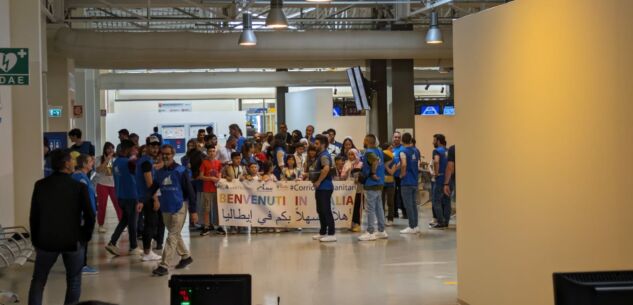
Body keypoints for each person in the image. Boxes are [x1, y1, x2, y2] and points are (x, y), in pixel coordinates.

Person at [28, 149, 95, 305]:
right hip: (72, 240)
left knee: (38, 280)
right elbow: (90, 215)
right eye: (71, 160)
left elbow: (34, 216)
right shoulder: (78, 187)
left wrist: (35, 241)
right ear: (66, 164)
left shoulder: (40, 185)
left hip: (46, 240)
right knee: (74, 280)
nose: (74, 163)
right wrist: (85, 237)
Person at [149, 145, 197, 276]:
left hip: (179, 207)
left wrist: (193, 211)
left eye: (168, 154)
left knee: (171, 236)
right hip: (166, 207)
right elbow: (153, 187)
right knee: (174, 234)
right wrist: (142, 200)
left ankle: (164, 265)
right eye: (163, 154)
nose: (165, 156)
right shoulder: (159, 172)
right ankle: (186, 257)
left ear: (173, 154)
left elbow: (190, 191)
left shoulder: (181, 171)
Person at [105, 139, 143, 256]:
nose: (135, 151)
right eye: (133, 149)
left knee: (125, 220)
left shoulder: (116, 162)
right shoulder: (129, 162)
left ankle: (112, 242)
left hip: (120, 196)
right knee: (132, 222)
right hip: (131, 196)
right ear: (127, 150)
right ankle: (133, 246)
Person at [136, 136, 164, 261]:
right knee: (151, 224)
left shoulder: (146, 160)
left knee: (150, 223)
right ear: (147, 147)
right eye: (152, 146)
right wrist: (155, 199)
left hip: (144, 197)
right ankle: (148, 253)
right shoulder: (146, 162)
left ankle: (147, 250)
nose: (155, 149)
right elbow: (149, 183)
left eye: (157, 146)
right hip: (148, 197)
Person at [71, 154, 99, 275]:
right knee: (82, 241)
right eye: (90, 161)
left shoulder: (83, 176)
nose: (92, 163)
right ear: (83, 164)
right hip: (82, 216)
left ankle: (81, 264)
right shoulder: (79, 177)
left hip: (87, 213)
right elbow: (79, 197)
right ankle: (81, 266)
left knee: (83, 241)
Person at [358, 134, 388, 241]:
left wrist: (373, 173)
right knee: (379, 207)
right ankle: (381, 230)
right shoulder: (379, 150)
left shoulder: (369, 152)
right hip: (380, 182)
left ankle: (370, 232)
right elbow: (386, 160)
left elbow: (374, 161)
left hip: (371, 183)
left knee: (370, 208)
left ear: (367, 141)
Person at [311, 134, 336, 242]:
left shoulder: (324, 156)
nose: (315, 145)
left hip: (325, 187)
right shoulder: (320, 155)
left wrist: (318, 181)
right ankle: (322, 232)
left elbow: (326, 169)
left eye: (317, 143)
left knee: (326, 210)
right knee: (320, 210)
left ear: (323, 144)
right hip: (321, 188)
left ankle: (331, 234)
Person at [93, 142, 122, 233]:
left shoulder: (116, 159)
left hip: (114, 185)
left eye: (112, 148)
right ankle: (101, 225)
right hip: (102, 184)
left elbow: (109, 173)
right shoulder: (98, 158)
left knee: (118, 205)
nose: (110, 150)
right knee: (102, 205)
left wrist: (110, 161)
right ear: (105, 149)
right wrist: (106, 160)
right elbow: (98, 170)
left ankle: (122, 224)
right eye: (108, 148)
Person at [199, 145, 223, 236]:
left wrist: (218, 178)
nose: (212, 153)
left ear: (215, 152)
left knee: (217, 208)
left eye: (213, 151)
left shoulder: (218, 162)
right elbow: (201, 176)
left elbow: (220, 172)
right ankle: (206, 226)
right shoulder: (204, 163)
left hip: (217, 189)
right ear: (207, 153)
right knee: (207, 208)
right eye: (210, 151)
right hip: (207, 189)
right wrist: (211, 178)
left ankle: (218, 225)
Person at [399, 133, 420, 234]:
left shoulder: (402, 151)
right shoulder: (416, 151)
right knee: (413, 205)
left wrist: (402, 174)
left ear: (402, 141)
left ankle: (411, 227)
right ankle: (416, 226)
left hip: (406, 182)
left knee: (408, 205)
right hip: (415, 181)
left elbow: (403, 164)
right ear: (411, 140)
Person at [431, 134, 450, 229]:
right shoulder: (448, 151)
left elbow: (436, 161)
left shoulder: (436, 151)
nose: (433, 142)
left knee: (436, 201)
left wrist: (436, 173)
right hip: (448, 179)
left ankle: (440, 222)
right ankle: (446, 221)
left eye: (434, 140)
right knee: (447, 201)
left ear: (438, 141)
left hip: (440, 179)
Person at [342, 149, 363, 232]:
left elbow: (362, 175)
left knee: (357, 206)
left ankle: (357, 224)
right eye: (349, 154)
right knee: (349, 206)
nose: (351, 156)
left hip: (358, 188)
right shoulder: (346, 164)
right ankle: (350, 223)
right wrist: (347, 171)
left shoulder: (361, 164)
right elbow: (342, 176)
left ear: (356, 155)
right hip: (348, 189)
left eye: (352, 154)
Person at [391, 131, 406, 219]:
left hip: (400, 176)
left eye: (398, 137)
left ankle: (405, 212)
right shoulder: (391, 149)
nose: (396, 139)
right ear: (393, 138)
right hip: (392, 176)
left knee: (402, 194)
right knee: (393, 194)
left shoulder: (402, 149)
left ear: (400, 139)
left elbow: (402, 162)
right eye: (395, 137)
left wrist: (396, 169)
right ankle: (394, 212)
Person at [382, 147, 397, 226]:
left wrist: (386, 166)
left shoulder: (394, 160)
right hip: (382, 183)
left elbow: (391, 172)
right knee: (381, 202)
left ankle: (390, 219)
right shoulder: (380, 160)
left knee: (390, 202)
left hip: (390, 184)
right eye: (389, 149)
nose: (391, 150)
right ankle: (381, 218)